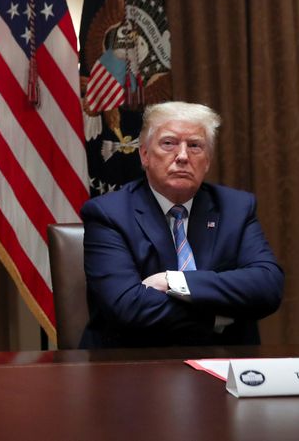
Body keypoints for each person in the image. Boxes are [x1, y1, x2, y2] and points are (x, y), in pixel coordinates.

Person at [79, 101, 284, 348]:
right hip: (134, 365)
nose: (183, 156)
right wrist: (219, 314)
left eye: (195, 146)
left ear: (207, 160)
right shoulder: (108, 214)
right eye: (169, 143)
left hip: (225, 363)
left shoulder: (235, 208)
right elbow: (127, 306)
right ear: (144, 154)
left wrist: (174, 282)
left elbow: (267, 286)